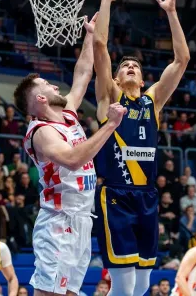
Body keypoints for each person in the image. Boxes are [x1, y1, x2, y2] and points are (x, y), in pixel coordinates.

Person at [13, 18, 128, 296]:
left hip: (82, 219)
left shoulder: (67, 112)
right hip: (58, 220)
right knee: (48, 293)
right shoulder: (40, 132)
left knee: (69, 293)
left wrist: (88, 36)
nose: (54, 86)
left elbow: (83, 73)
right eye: (47, 85)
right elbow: (74, 159)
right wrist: (110, 125)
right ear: (40, 100)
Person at [92, 0, 190, 296]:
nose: (131, 67)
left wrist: (172, 13)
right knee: (123, 282)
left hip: (147, 197)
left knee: (144, 283)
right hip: (118, 195)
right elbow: (99, 46)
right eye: (125, 66)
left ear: (143, 76)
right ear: (117, 78)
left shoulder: (152, 102)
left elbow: (181, 59)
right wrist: (106, 2)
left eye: (135, 65)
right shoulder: (110, 97)